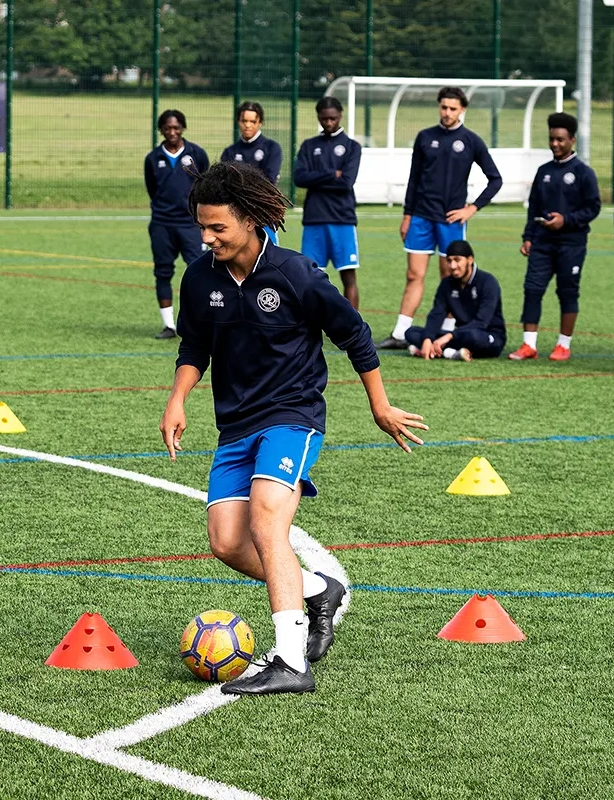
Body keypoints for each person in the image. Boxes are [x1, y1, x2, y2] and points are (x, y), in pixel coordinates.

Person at [159, 162, 427, 696]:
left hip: (293, 415)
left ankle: (290, 658)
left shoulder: (295, 273)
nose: (207, 238)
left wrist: (381, 405)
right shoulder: (200, 278)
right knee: (226, 542)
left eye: (218, 228)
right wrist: (177, 398)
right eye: (202, 228)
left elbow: (355, 334)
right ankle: (315, 589)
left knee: (266, 522)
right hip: (234, 425)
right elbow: (195, 346)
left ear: (251, 220)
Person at [376, 87, 503, 349]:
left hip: (450, 220)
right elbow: (414, 179)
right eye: (443, 107)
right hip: (421, 216)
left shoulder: (471, 141)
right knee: (414, 274)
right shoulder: (425, 137)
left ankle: (446, 332)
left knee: (450, 274)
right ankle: (400, 332)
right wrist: (407, 215)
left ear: (462, 110)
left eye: (452, 108)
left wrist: (473, 208)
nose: (447, 112)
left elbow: (495, 179)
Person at [509, 113, 601, 362]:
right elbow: (534, 208)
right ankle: (529, 345)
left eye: (560, 139)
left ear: (572, 140)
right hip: (542, 242)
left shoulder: (583, 173)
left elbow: (593, 208)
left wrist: (566, 220)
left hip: (571, 243)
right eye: (552, 139)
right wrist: (528, 237)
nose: (555, 144)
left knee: (567, 291)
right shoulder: (544, 171)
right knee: (532, 289)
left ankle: (564, 345)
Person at [144, 110, 209, 340]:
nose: (172, 132)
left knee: (199, 272)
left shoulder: (197, 154)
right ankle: (169, 326)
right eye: (167, 128)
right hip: (162, 224)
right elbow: (153, 190)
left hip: (190, 224)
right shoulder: (153, 158)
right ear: (161, 130)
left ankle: (200, 322)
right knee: (163, 272)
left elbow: (205, 186)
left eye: (176, 127)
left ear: (183, 128)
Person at [293, 96, 362, 308]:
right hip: (314, 219)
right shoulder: (308, 146)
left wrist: (316, 178)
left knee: (348, 276)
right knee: (308, 277)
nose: (329, 123)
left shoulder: (352, 146)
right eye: (324, 119)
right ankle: (308, 329)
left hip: (342, 219)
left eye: (332, 118)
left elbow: (347, 182)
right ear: (319, 118)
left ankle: (353, 329)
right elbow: (299, 178)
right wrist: (332, 174)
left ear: (340, 116)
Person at [405, 240, 506, 362]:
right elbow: (437, 313)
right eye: (449, 261)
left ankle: (444, 351)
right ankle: (452, 353)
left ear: (470, 260)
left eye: (457, 260)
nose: (452, 266)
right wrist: (427, 339)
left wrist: (449, 336)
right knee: (411, 333)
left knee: (474, 337)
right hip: (460, 335)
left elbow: (481, 322)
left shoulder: (487, 282)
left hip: (487, 335)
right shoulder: (447, 284)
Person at [221, 101, 283, 245]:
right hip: (237, 215)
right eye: (244, 121)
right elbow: (225, 183)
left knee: (268, 260)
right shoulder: (230, 151)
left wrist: (239, 183)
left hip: (264, 214)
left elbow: (268, 181)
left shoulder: (272, 148)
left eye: (252, 121)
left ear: (260, 122)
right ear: (238, 122)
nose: (248, 125)